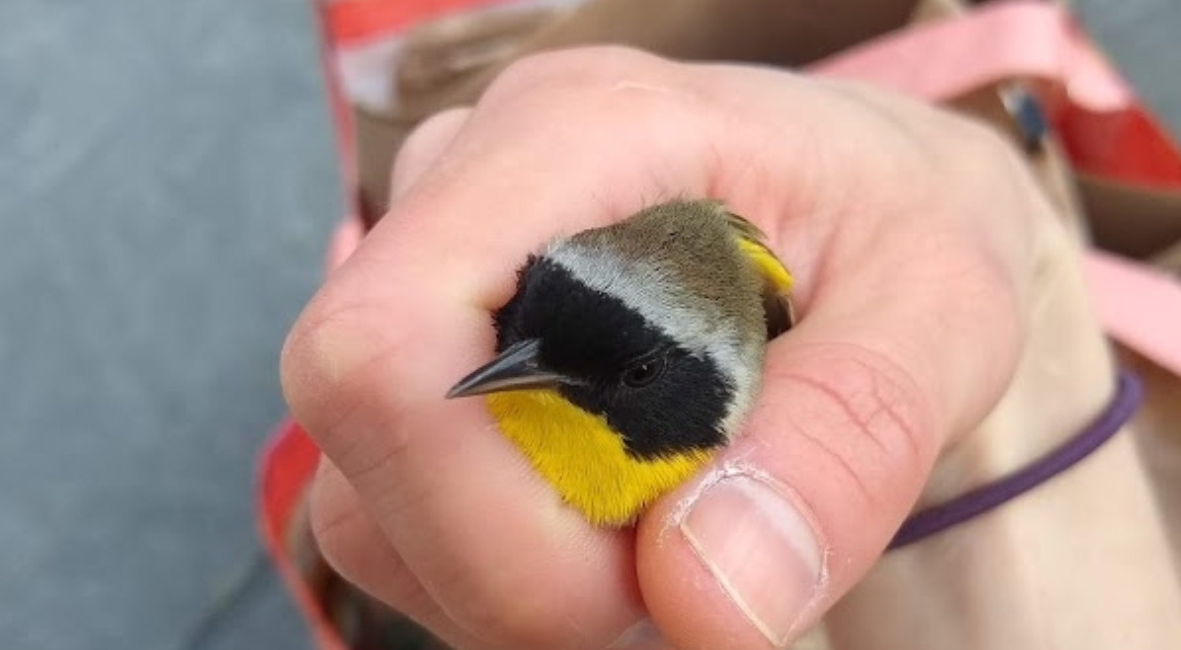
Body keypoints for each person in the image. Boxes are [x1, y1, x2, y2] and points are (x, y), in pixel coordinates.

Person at [279, 48, 1181, 649]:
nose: (517, 365)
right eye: (522, 326)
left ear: (708, 382)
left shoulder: (753, 305)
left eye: (629, 373)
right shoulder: (513, 393)